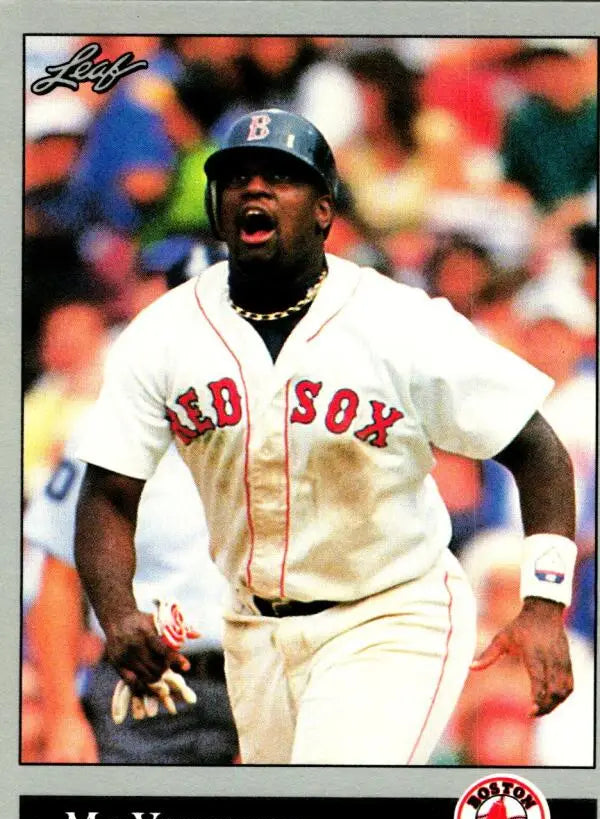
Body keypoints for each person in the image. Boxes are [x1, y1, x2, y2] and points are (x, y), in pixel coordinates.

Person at [74, 108, 578, 765]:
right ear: (217, 204)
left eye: (280, 177)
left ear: (322, 209)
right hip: (253, 631)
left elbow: (538, 450)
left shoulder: (399, 321)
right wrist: (117, 613)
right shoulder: (164, 334)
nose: (254, 189)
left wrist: (544, 600)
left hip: (391, 612)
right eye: (237, 178)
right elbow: (108, 491)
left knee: (332, 809)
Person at [24, 432, 238, 765]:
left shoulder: (274, 425)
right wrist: (62, 716)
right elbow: (58, 582)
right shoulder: (106, 433)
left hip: (262, 678)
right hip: (144, 690)